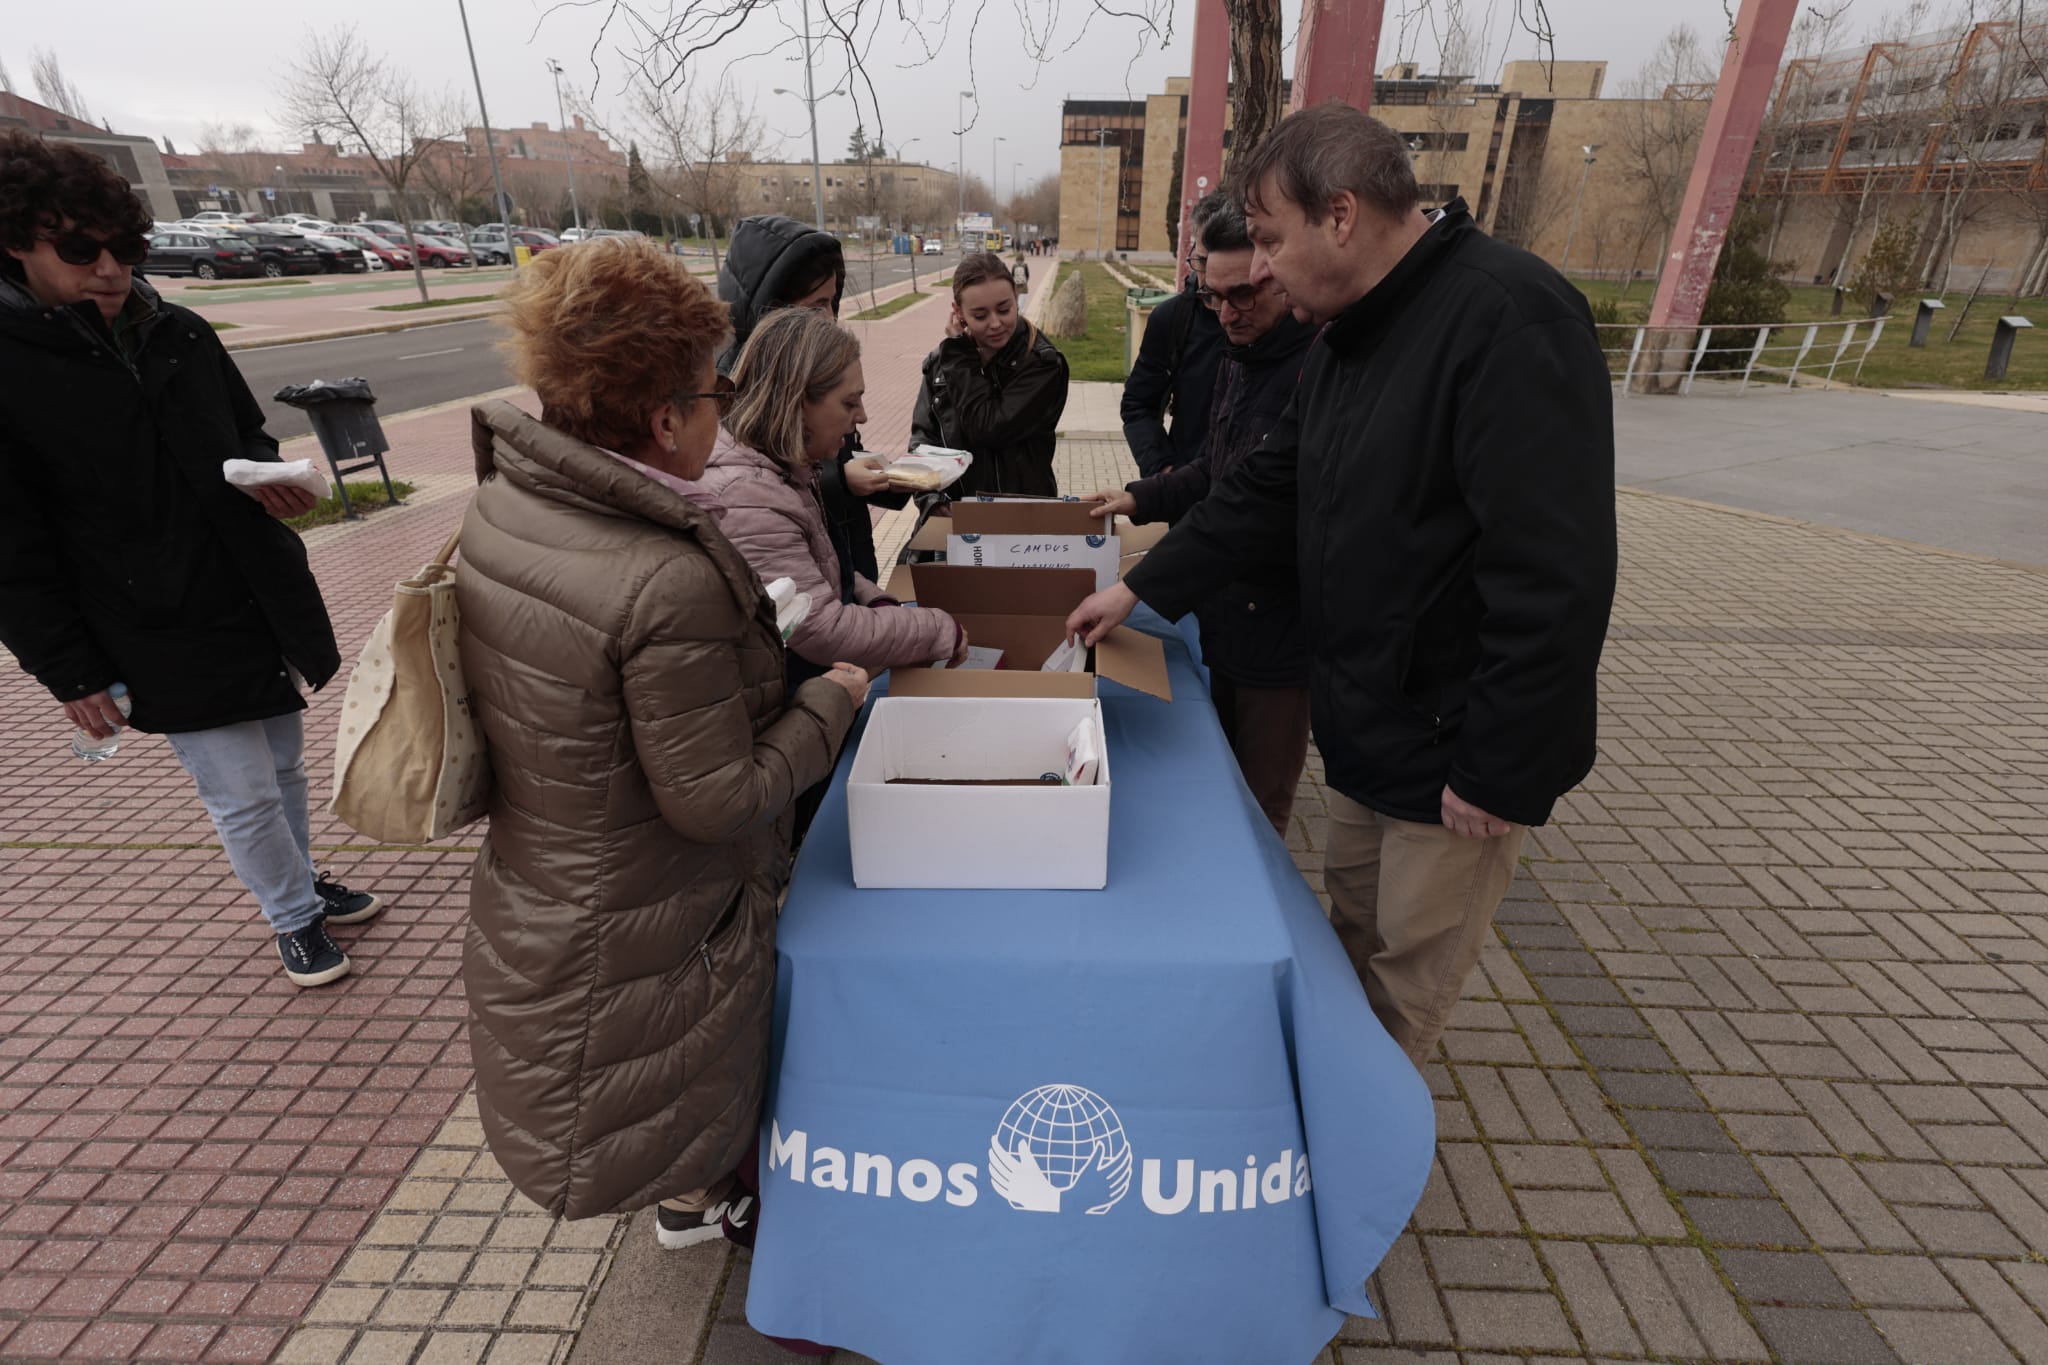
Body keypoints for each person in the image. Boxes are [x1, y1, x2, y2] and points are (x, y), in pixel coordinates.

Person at [1066, 103, 1617, 1067]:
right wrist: (1142, 590)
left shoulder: (1507, 319)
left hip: (1455, 755)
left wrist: (1501, 767)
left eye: (1272, 240)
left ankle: (1359, 1178)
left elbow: (1555, 574)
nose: (1262, 270)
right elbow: (1269, 485)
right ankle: (1330, 1109)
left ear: (1344, 216)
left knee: (1404, 991)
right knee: (1348, 947)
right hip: (1366, 724)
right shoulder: (1355, 336)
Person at [455, 238, 871, 1254]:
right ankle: (700, 1207)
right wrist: (832, 702)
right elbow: (718, 798)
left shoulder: (511, 506)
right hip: (649, 905)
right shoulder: (662, 575)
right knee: (676, 1089)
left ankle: (687, 1198)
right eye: (711, 393)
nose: (722, 411)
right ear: (663, 419)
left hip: (552, 877)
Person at [0, 129, 379, 990]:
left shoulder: (178, 328)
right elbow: (11, 545)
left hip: (250, 591)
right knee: (239, 787)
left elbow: (242, 434)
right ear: (17, 240)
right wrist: (68, 671)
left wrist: (269, 483)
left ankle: (300, 883)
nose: (109, 268)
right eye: (80, 248)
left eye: (125, 247)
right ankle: (292, 918)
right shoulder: (13, 362)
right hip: (146, 618)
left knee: (282, 763)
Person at [1085, 199, 1316, 839]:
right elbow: (1215, 467)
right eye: (1214, 297)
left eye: (1243, 295)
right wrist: (1140, 497)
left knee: (1261, 798)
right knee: (1220, 775)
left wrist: (1134, 589)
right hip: (1227, 606)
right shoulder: (1239, 353)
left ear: (1282, 270)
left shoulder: (1314, 367)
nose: (1227, 314)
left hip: (1281, 622)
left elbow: (1247, 501)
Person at [701, 305, 966, 681]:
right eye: (848, 402)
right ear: (798, 401)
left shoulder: (783, 469)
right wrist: (938, 630)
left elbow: (816, 568)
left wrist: (878, 601)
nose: (861, 417)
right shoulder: (749, 497)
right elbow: (820, 628)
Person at [718, 214, 904, 584]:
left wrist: (892, 480)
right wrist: (839, 480)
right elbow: (755, 486)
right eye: (817, 305)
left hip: (844, 558)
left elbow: (840, 450)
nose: (831, 318)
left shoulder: (814, 363)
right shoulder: (734, 386)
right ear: (772, 310)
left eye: (834, 302)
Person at [911, 250, 1069, 498]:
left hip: (1021, 514)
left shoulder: (1043, 364)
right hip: (955, 511)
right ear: (958, 312)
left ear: (1016, 299)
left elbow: (987, 427)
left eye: (1004, 310)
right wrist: (930, 500)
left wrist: (960, 359)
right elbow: (923, 441)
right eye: (980, 315)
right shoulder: (943, 362)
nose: (995, 323)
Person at [1120, 193, 1228, 478]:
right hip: (1185, 500)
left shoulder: (1288, 320)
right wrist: (1165, 471)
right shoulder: (1173, 319)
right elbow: (1138, 404)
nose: (1208, 279)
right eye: (1202, 261)